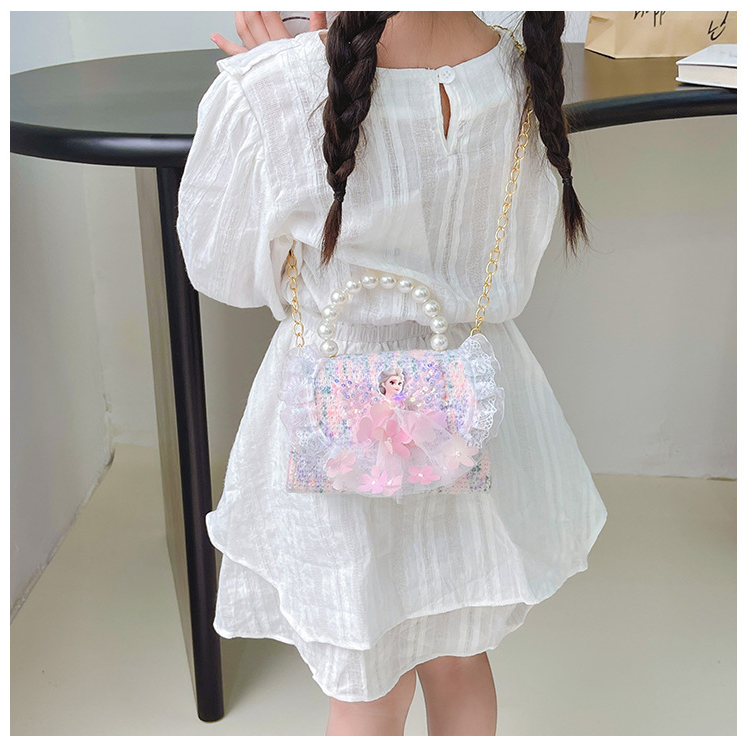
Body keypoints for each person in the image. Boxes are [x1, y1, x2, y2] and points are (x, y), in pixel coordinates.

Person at [176, 10, 608, 736]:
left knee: (367, 687)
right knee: (459, 656)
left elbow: (220, 270)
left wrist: (283, 80)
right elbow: (516, 258)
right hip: (468, 405)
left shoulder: (275, 87)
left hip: (335, 414)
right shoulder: (525, 72)